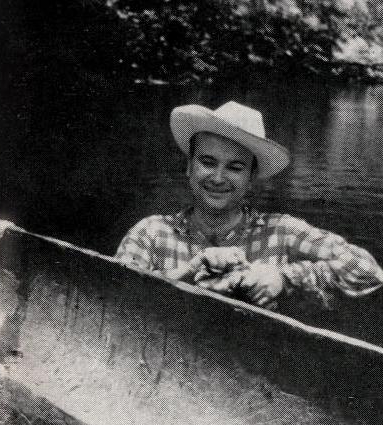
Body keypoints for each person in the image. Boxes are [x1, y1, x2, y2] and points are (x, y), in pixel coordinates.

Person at [115, 101, 383, 308]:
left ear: (251, 178)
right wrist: (190, 271)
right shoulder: (151, 232)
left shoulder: (281, 232)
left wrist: (285, 279)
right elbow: (110, 292)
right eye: (208, 162)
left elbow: (368, 271)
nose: (218, 178)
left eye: (235, 167)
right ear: (189, 166)